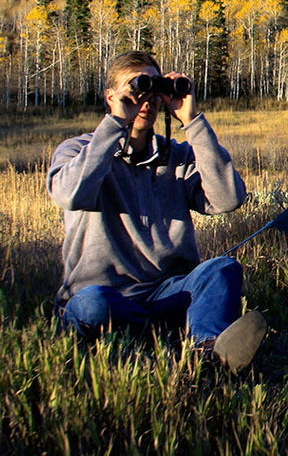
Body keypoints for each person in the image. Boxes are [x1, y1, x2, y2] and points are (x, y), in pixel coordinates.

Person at [47, 50, 266, 372]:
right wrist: (115, 125)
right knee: (92, 304)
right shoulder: (78, 150)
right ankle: (166, 336)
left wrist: (192, 121)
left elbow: (228, 199)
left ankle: (208, 351)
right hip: (105, 296)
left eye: (153, 89)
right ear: (111, 97)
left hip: (166, 293)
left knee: (221, 269)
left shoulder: (177, 156)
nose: (145, 100)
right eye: (135, 89)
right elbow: (69, 195)